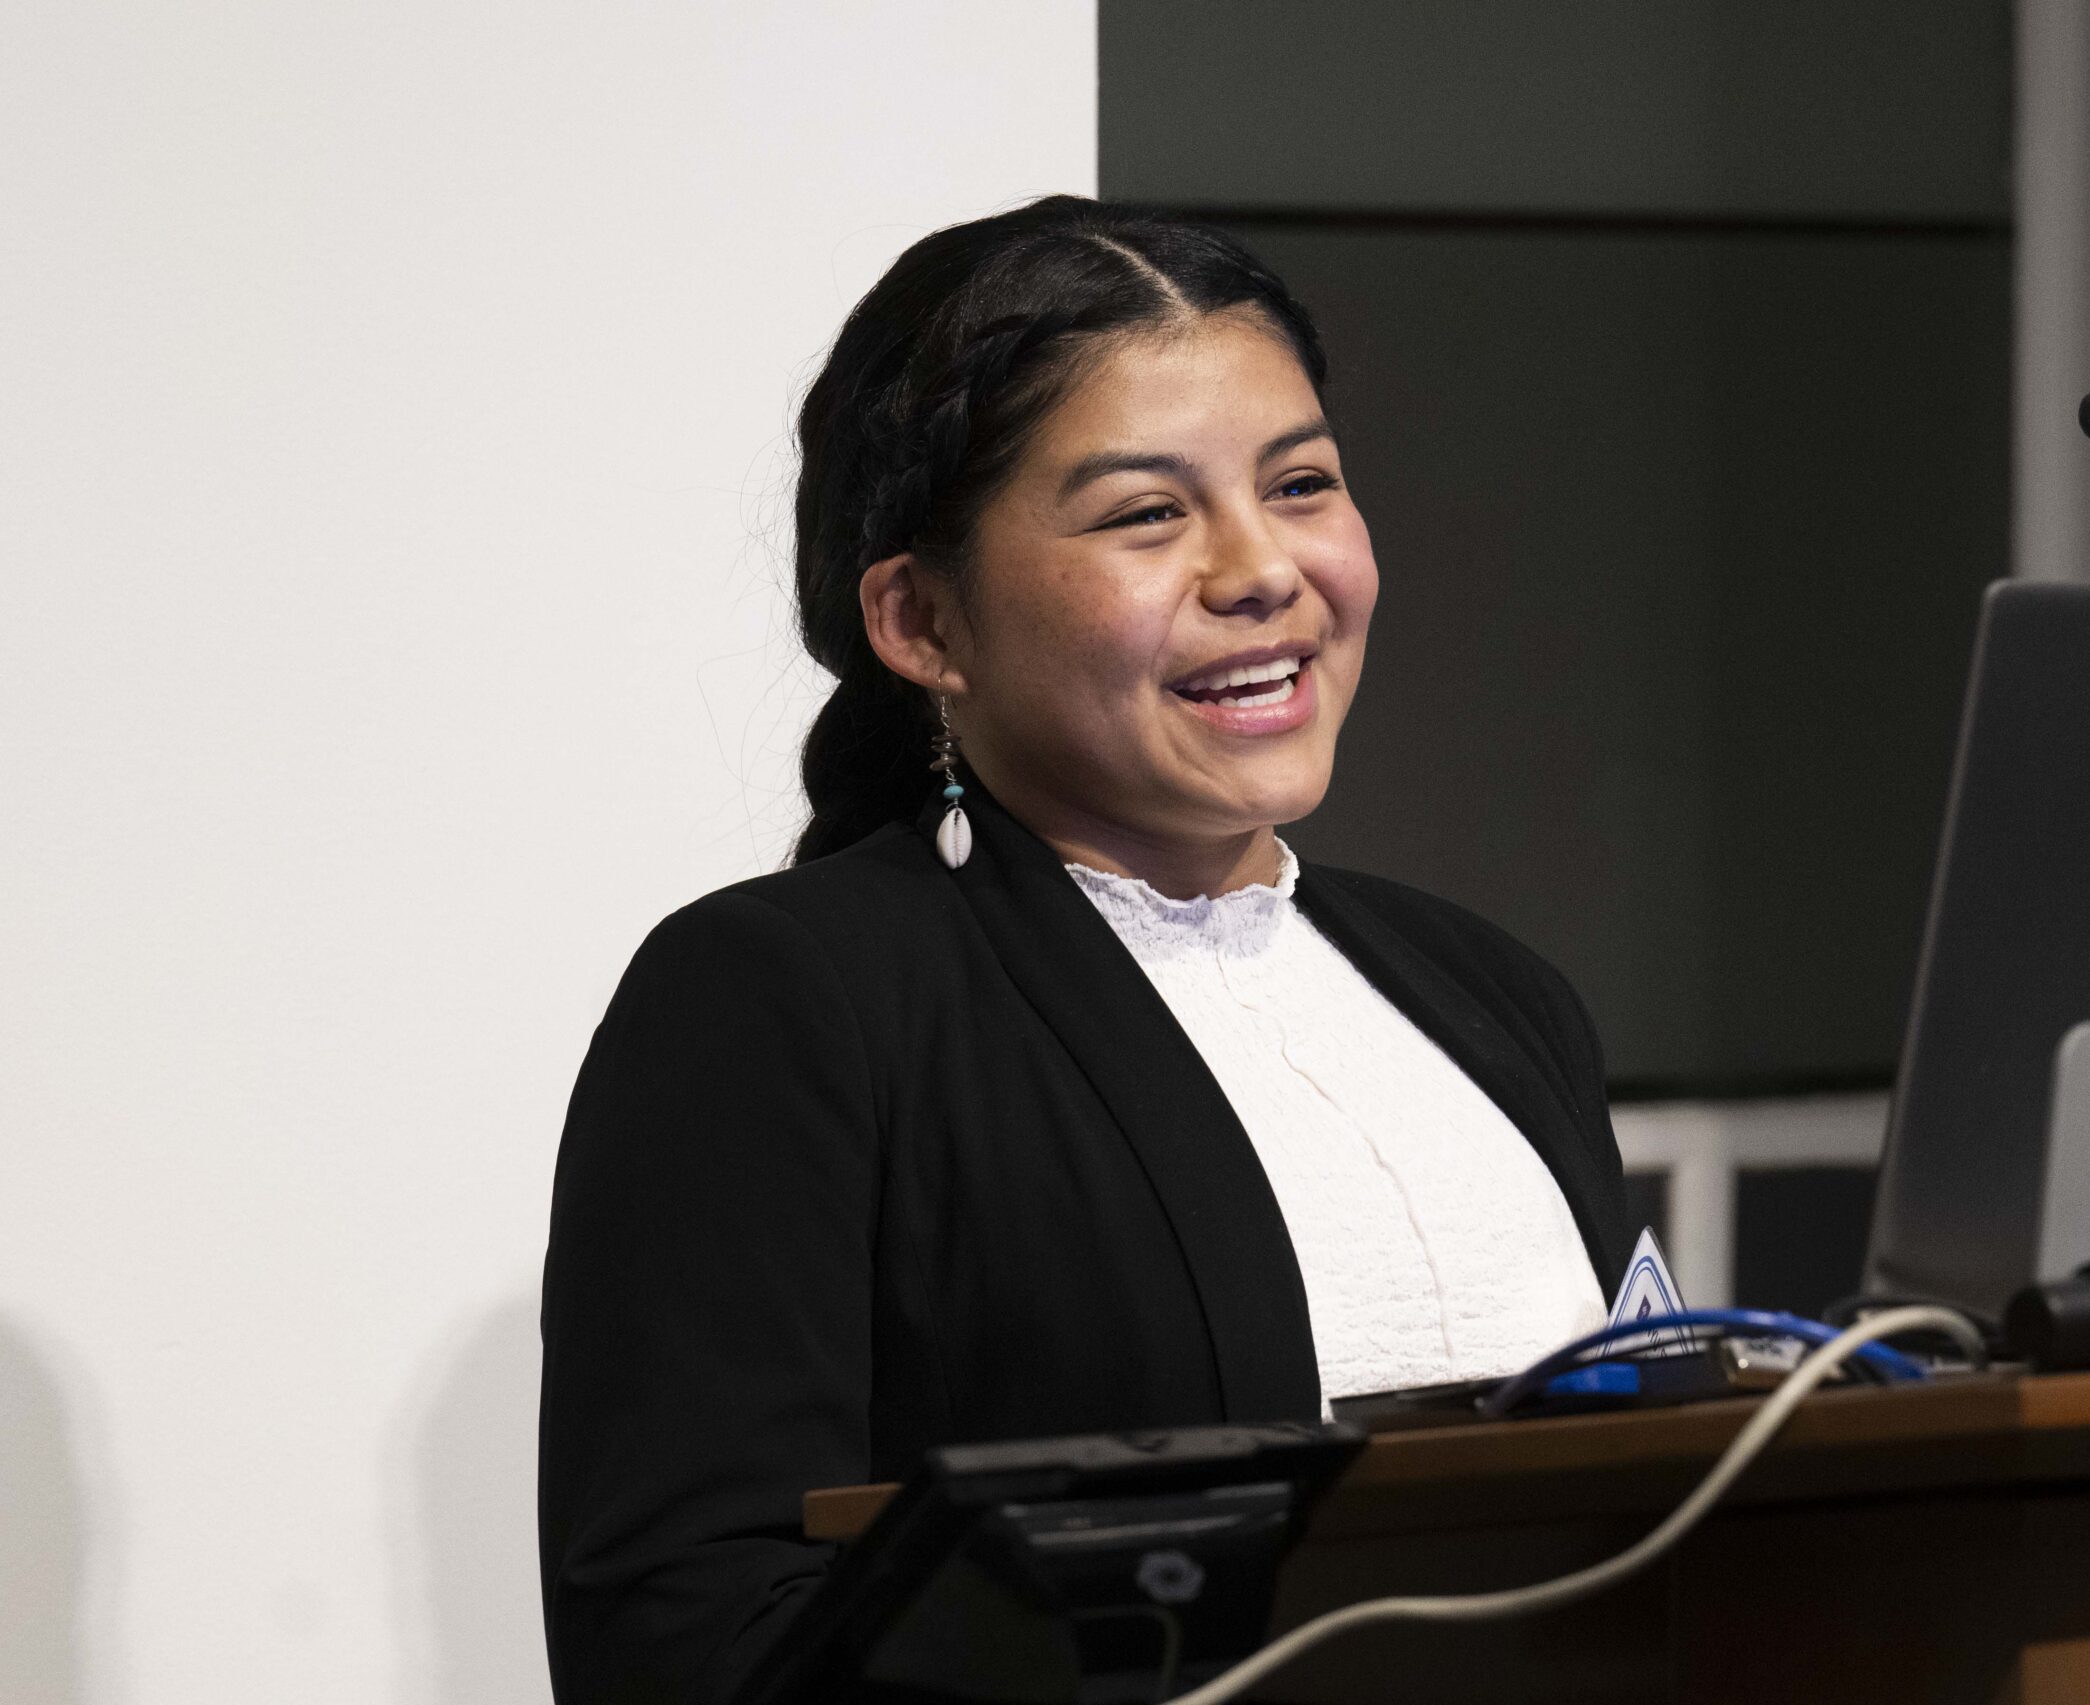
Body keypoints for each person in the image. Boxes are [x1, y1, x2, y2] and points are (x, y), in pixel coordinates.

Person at [537, 195, 1632, 1704]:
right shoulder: (784, 999)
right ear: (923, 620)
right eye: (1145, 512)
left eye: (1300, 482)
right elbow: (687, 1634)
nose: (1262, 568)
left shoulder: (1492, 993)